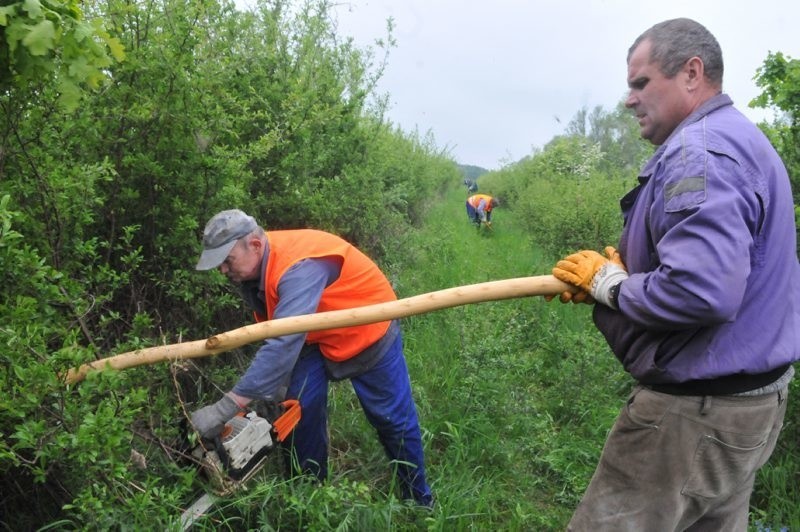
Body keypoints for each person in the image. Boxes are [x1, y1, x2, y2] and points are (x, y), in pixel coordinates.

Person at [549, 18, 799, 530]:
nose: (628, 99)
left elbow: (702, 291)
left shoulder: (697, 151)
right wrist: (624, 278)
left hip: (693, 416)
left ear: (691, 73)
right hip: (752, 405)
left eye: (641, 83)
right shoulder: (742, 140)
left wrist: (610, 286)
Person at [190, 209, 433, 506]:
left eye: (227, 261)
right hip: (314, 334)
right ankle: (309, 494)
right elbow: (279, 331)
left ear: (254, 245)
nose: (224, 271)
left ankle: (419, 501)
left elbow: (282, 341)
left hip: (367, 330)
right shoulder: (254, 271)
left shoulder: (298, 267)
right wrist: (277, 382)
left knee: (392, 420)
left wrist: (224, 409)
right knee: (297, 409)